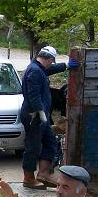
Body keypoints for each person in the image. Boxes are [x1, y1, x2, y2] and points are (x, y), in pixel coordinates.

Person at [20, 46, 69, 189]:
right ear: (49, 59)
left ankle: (43, 174)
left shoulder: (38, 68)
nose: (52, 65)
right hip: (34, 115)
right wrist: (41, 114)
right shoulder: (35, 72)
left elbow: (50, 70)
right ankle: (28, 178)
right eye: (52, 62)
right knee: (33, 146)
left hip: (41, 116)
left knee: (50, 142)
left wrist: (65, 66)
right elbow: (33, 95)